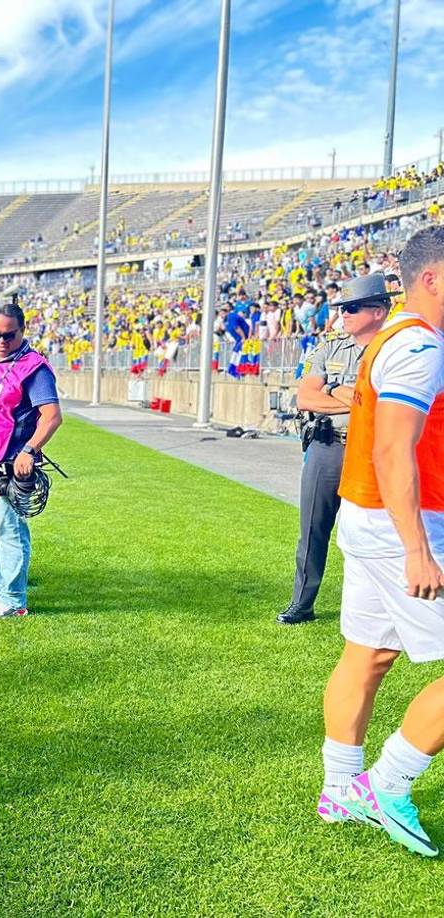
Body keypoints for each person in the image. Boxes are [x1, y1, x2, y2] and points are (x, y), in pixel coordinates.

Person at [317, 227, 444, 859]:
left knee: (367, 654)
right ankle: (386, 783)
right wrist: (418, 549)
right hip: (403, 525)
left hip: (366, 516)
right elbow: (395, 449)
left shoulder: (396, 335)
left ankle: (340, 788)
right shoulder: (419, 345)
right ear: (433, 278)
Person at [280, 275, 392, 624]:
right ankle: (302, 602)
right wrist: (353, 398)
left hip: (374, 452)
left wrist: (338, 390)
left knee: (379, 532)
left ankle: (386, 609)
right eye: (343, 308)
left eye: (353, 308)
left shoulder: (393, 349)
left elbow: (385, 405)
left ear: (379, 310)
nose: (344, 314)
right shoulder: (330, 347)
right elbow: (306, 397)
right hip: (328, 446)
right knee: (313, 529)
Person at [0, 302, 62, 619]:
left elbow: (51, 417)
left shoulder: (34, 367)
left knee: (9, 529)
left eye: (9, 335)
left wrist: (29, 450)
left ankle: (15, 598)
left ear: (23, 331)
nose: (1, 341)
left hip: (9, 461)